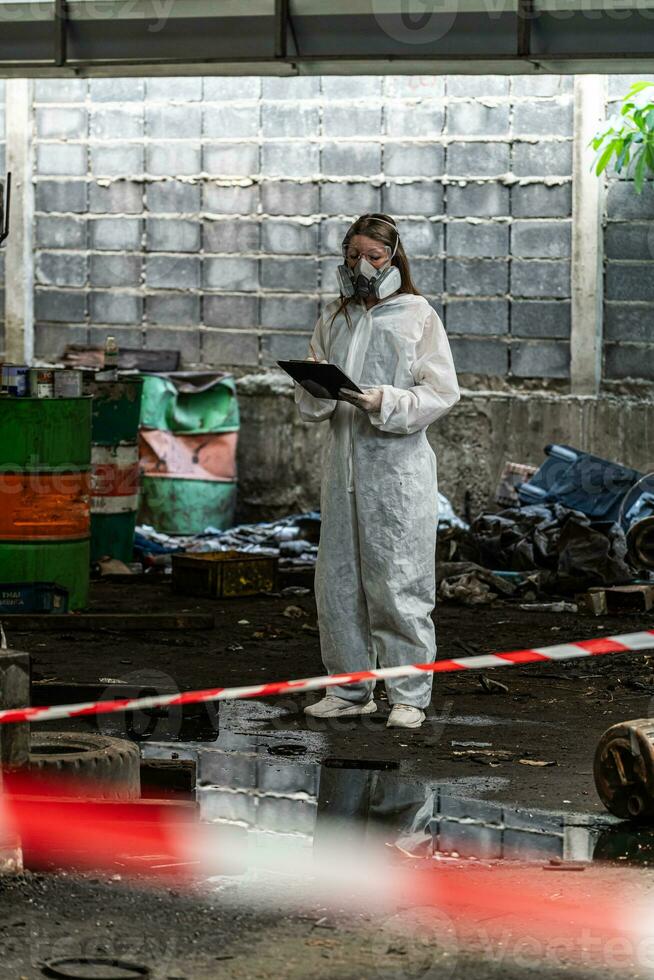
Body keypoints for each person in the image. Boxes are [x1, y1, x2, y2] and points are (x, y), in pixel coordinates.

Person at [294, 213, 460, 730]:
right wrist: (314, 385)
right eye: (352, 256)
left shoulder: (417, 316)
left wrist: (382, 400)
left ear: (394, 259)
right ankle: (350, 690)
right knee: (338, 582)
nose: (361, 266)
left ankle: (408, 694)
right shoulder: (335, 318)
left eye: (374, 256)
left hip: (395, 474)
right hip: (342, 470)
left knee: (398, 581)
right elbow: (313, 398)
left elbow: (441, 392)